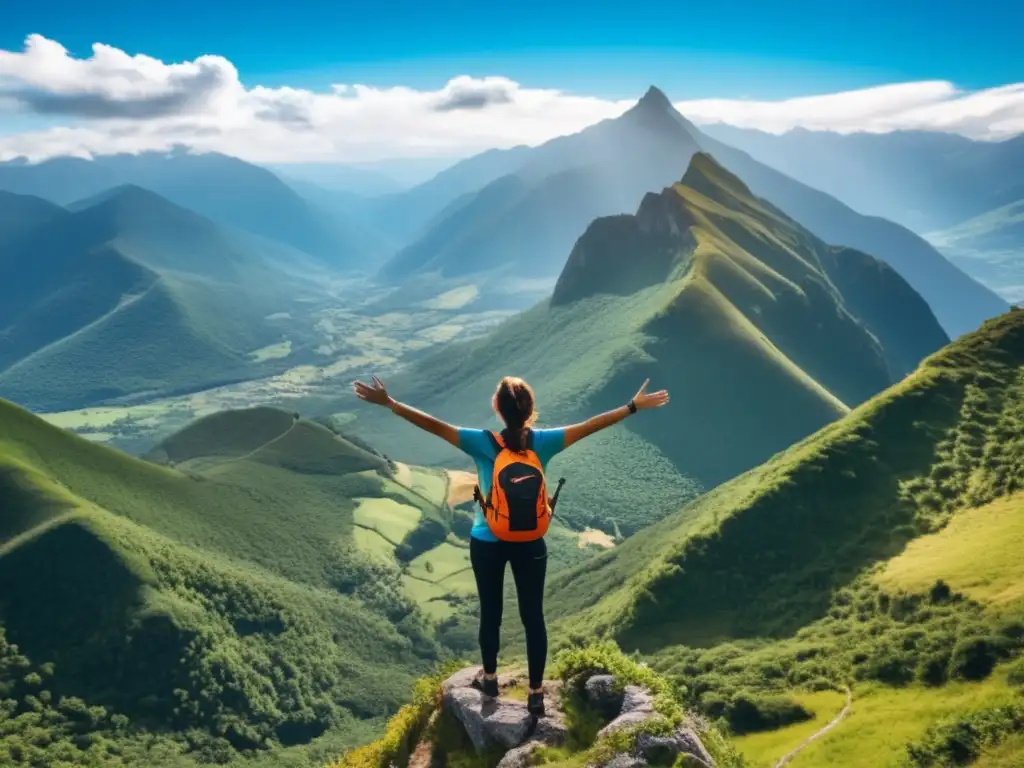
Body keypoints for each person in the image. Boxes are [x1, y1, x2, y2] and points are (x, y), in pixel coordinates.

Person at [352, 374, 670, 716]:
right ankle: (535, 694)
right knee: (533, 617)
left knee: (491, 613)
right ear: (531, 410)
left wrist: (390, 403)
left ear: (497, 408)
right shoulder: (543, 442)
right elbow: (590, 425)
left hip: (487, 539)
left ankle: (489, 679)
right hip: (531, 540)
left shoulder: (480, 442)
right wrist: (633, 406)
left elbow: (434, 425)